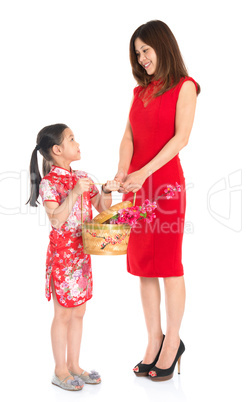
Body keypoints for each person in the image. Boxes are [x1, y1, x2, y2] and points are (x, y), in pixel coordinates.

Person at [115, 20, 200, 381]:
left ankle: (173, 341)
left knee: (168, 263)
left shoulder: (186, 87)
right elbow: (129, 137)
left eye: (146, 50)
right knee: (143, 265)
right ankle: (154, 340)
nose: (142, 59)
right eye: (138, 53)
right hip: (136, 186)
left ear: (163, 46)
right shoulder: (140, 93)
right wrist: (123, 173)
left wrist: (143, 173)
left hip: (164, 185)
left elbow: (180, 140)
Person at [26, 123, 120, 391]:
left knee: (79, 311)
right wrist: (76, 192)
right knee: (63, 313)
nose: (77, 143)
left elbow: (103, 209)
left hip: (82, 252)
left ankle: (75, 366)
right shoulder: (49, 183)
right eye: (71, 139)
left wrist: (106, 190)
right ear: (57, 150)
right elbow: (56, 220)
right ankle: (59, 370)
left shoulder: (81, 175)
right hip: (63, 255)